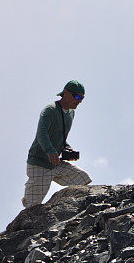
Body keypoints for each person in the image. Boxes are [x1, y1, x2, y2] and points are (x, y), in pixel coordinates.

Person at [22, 80, 92, 208]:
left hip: (55, 163)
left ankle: (69, 207)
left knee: (83, 179)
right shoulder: (50, 110)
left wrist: (68, 148)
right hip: (39, 163)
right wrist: (50, 151)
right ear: (66, 93)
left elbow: (60, 136)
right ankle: (29, 197)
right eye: (77, 96)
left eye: (82, 98)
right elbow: (41, 133)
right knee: (32, 206)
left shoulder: (71, 113)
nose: (79, 100)